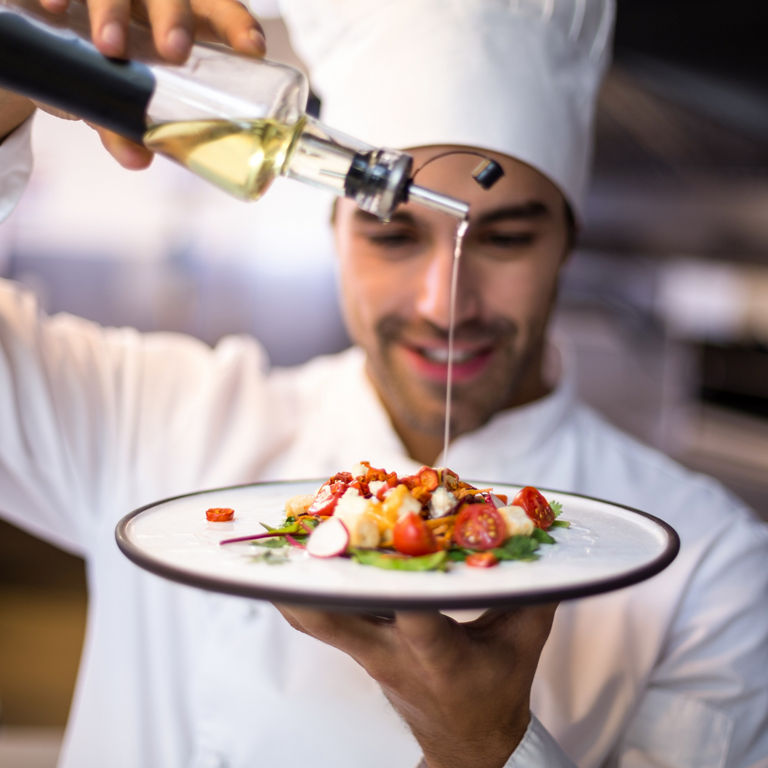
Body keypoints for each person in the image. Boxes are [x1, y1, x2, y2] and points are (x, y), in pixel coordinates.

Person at [1, 1, 767, 767]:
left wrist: (487, 746)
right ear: (335, 229)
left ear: (567, 242)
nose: (445, 304)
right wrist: (19, 64)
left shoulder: (711, 569)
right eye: (394, 235)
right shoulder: (161, 420)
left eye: (504, 238)